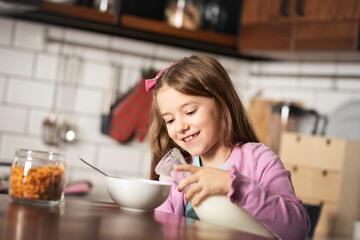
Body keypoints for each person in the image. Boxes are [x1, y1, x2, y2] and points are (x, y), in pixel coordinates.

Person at [146, 54, 310, 240]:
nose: (180, 127)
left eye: (190, 111)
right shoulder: (177, 176)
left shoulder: (259, 160)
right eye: (170, 120)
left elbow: (297, 231)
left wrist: (235, 186)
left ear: (222, 104)